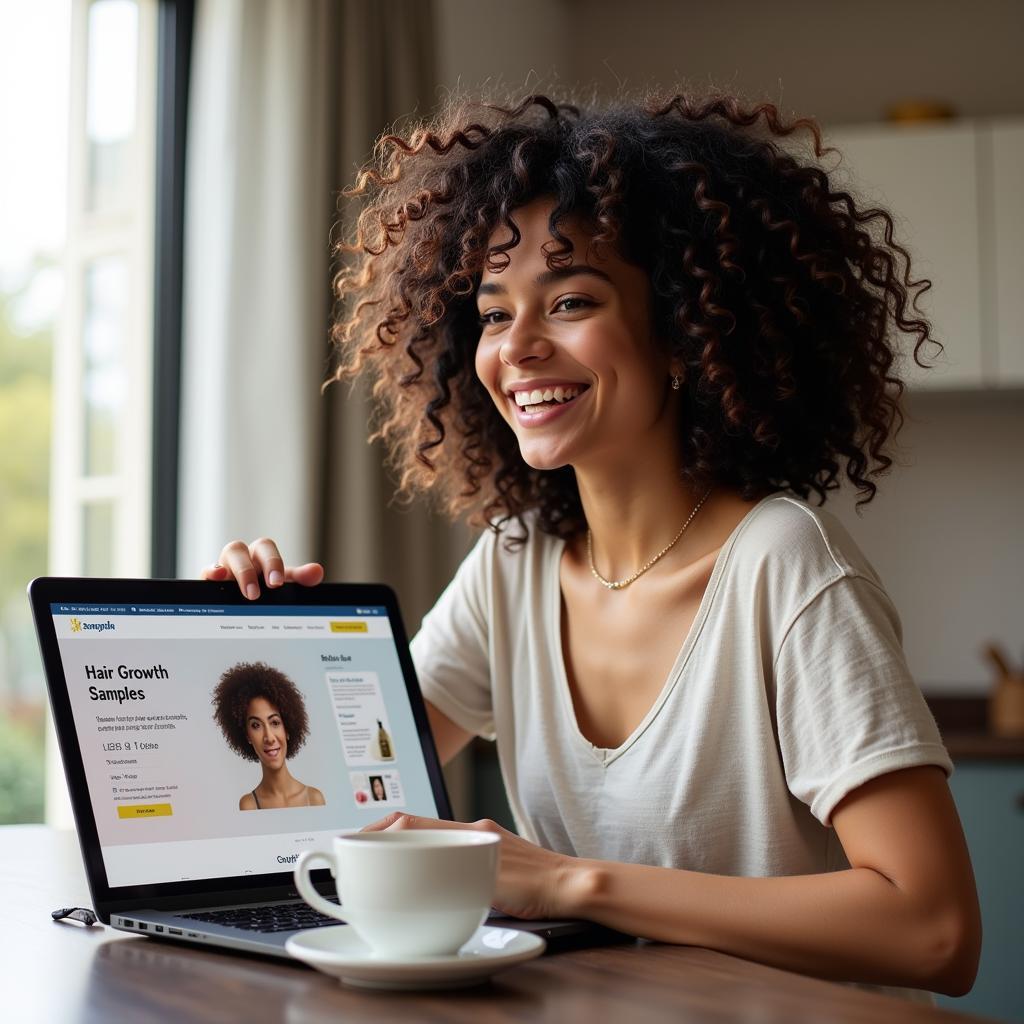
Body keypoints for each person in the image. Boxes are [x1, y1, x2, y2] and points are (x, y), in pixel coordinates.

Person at [201, 90, 980, 999]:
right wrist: (250, 633)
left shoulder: (784, 563)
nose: (519, 347)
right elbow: (343, 786)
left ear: (687, 331)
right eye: (494, 313)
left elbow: (934, 930)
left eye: (570, 300)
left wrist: (574, 883)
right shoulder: (514, 562)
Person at [212, 660, 326, 810]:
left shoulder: (314, 798)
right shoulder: (249, 805)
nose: (269, 738)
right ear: (247, 736)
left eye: (275, 723)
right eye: (256, 725)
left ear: (288, 729)